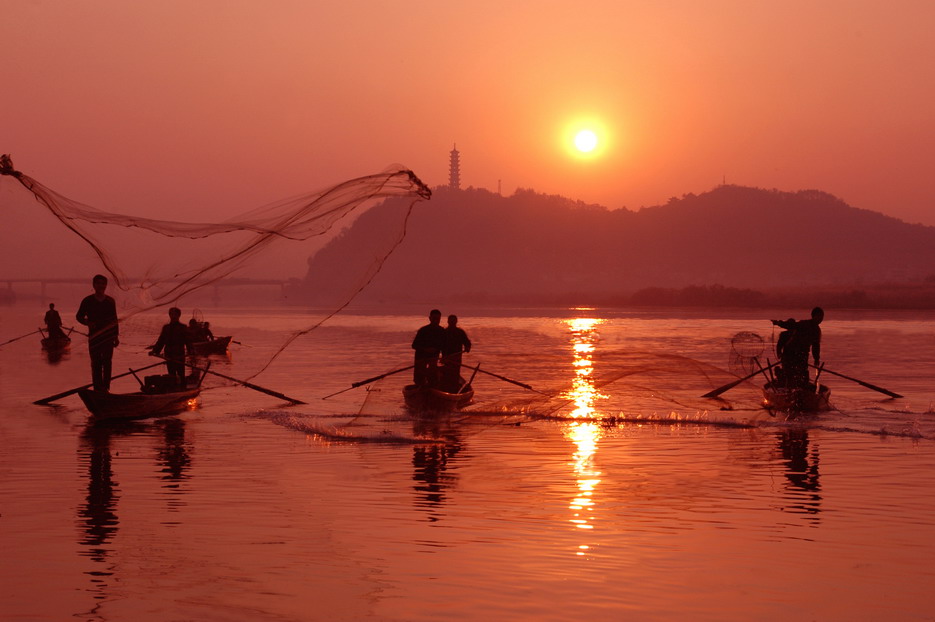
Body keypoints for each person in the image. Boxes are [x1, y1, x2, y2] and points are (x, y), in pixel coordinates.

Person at [76, 274, 119, 392]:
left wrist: (116, 336)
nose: (101, 286)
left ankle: (106, 388)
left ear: (106, 285)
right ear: (94, 285)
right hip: (94, 337)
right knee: (96, 363)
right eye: (98, 283)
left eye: (103, 283)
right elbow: (79, 316)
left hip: (108, 337)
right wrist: (87, 323)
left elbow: (114, 319)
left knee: (107, 362)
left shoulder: (110, 301)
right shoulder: (88, 301)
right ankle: (97, 388)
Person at [772, 307, 823, 388]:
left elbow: (816, 346)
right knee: (789, 374)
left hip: (803, 354)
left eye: (822, 317)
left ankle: (802, 392)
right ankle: (787, 392)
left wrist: (816, 359)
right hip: (790, 352)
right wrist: (779, 323)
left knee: (803, 375)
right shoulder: (804, 324)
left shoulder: (817, 331)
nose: (820, 319)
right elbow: (791, 325)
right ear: (813, 316)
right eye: (819, 316)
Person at [149, 307, 193, 387]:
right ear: (169, 315)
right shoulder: (166, 328)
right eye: (171, 314)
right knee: (171, 375)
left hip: (179, 354)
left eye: (175, 314)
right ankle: (173, 389)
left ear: (179, 315)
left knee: (181, 373)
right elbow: (161, 341)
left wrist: (191, 351)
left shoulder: (183, 327)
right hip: (169, 355)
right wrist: (155, 351)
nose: (173, 316)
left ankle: (182, 388)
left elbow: (188, 341)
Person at [411, 309, 445, 387]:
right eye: (434, 318)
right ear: (430, 318)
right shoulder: (423, 330)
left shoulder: (442, 331)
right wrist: (426, 349)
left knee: (433, 377)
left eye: (438, 319)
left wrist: (443, 357)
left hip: (433, 359)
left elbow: (444, 345)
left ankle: (432, 387)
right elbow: (414, 345)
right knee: (419, 379)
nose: (436, 321)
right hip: (421, 358)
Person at [440, 314, 472, 391]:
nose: (452, 322)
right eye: (451, 321)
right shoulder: (444, 332)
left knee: (455, 374)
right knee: (446, 373)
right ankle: (446, 388)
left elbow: (467, 343)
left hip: (456, 358)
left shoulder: (460, 332)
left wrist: (467, 347)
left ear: (456, 321)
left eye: (454, 321)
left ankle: (453, 388)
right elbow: (439, 345)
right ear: (448, 321)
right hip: (446, 358)